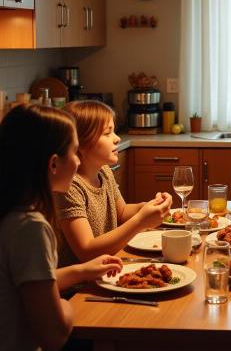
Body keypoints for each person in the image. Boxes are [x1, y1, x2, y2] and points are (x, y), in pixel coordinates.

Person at [0, 104, 124, 351]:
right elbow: (55, 335)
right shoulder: (29, 227)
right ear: (53, 164)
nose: (78, 162)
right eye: (73, 151)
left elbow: (18, 286)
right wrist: (69, 307)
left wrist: (81, 271)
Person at [55, 100, 172, 267]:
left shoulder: (104, 171)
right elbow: (86, 252)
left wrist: (150, 206)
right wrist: (140, 221)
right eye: (107, 133)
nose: (117, 138)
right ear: (80, 143)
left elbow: (122, 212)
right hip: (78, 288)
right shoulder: (70, 187)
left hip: (107, 270)